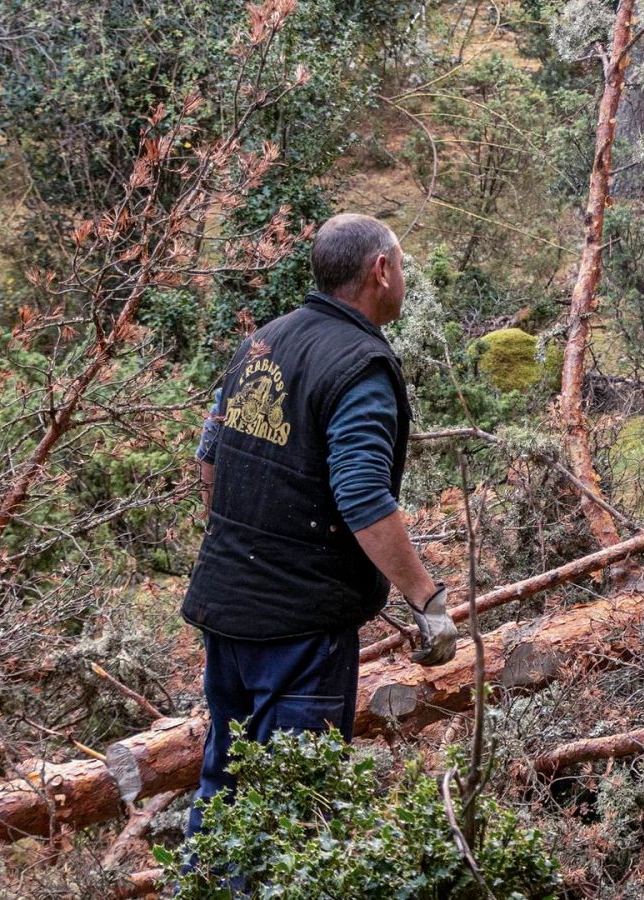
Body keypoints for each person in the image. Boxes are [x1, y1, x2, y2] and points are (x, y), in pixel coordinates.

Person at [183, 213, 458, 835]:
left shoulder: (264, 340)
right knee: (294, 812)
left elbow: (208, 455)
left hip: (227, 607)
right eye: (402, 265)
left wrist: (243, 544)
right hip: (300, 630)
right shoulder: (360, 365)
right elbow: (362, 495)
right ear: (380, 270)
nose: (404, 278)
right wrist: (428, 600)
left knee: (224, 784)